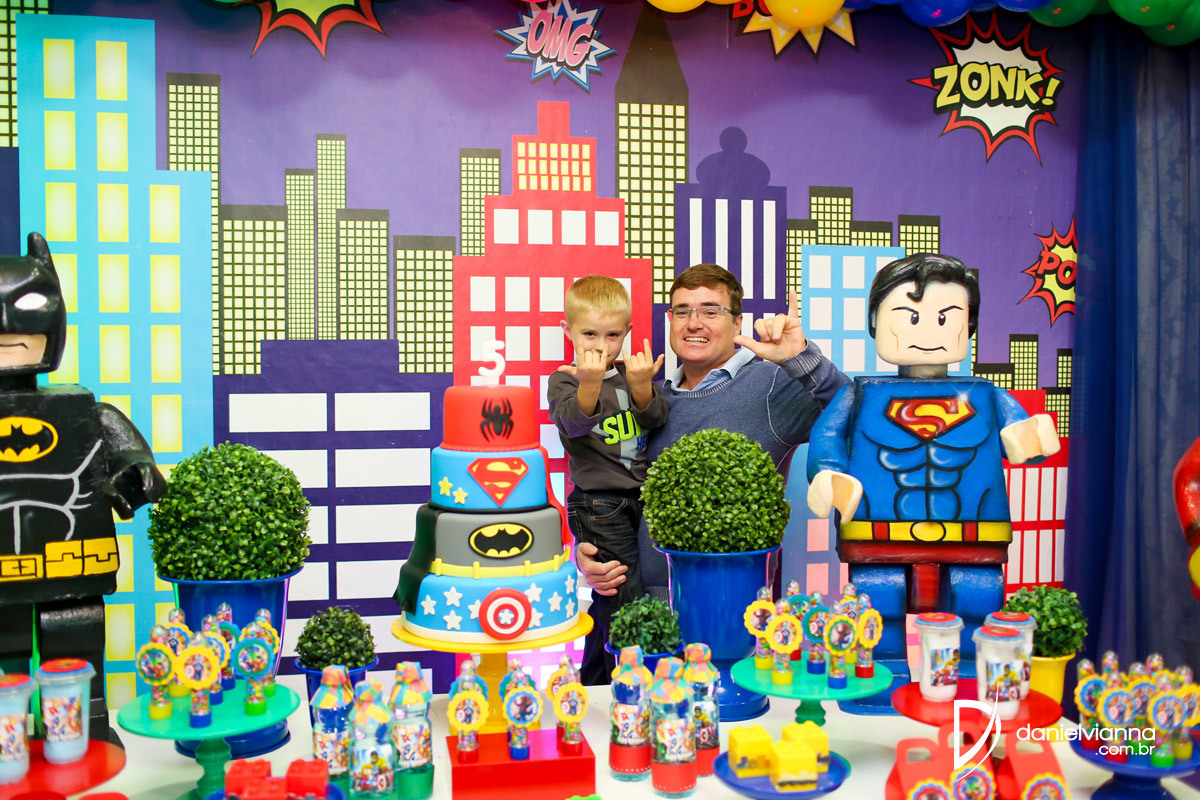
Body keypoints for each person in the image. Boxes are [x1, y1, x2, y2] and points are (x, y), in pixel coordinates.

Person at [574, 263, 850, 681]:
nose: (694, 323)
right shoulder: (648, 399)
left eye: (710, 310)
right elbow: (612, 488)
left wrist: (801, 358)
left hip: (727, 613)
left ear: (737, 322)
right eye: (682, 311)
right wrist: (592, 551)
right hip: (640, 612)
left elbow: (859, 417)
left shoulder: (771, 386)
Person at [805, 252, 1059, 704]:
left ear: (969, 326)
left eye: (945, 317)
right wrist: (828, 476)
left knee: (977, 600)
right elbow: (827, 439)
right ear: (874, 321)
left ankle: (968, 687)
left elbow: (1024, 444)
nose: (926, 331)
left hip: (974, 531)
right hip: (878, 530)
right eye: (909, 315)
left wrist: (1032, 440)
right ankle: (880, 680)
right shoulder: (859, 395)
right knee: (877, 603)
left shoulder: (987, 395)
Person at [547, 274, 668, 685]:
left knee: (616, 597)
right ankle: (631, 687)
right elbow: (573, 423)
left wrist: (642, 386)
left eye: (613, 335)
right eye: (590, 334)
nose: (601, 345)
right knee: (624, 597)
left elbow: (656, 419)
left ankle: (595, 681)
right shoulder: (565, 379)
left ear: (627, 332)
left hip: (640, 500)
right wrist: (590, 381)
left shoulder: (630, 374)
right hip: (599, 505)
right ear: (568, 332)